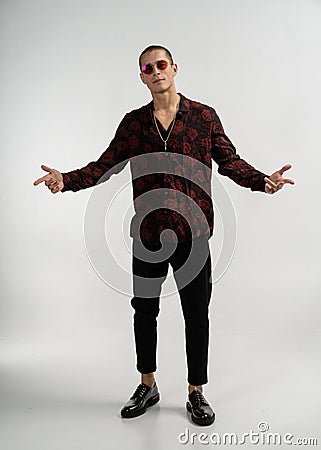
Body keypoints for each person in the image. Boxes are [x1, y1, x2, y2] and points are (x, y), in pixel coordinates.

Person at [34, 45, 295, 426]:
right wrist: (66, 180)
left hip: (194, 234)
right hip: (149, 235)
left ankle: (196, 392)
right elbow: (105, 166)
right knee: (144, 311)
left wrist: (262, 181)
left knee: (196, 315)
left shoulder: (204, 117)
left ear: (174, 69)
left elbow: (230, 162)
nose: (155, 71)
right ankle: (147, 384)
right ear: (141, 77)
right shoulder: (133, 124)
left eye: (161, 65)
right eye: (147, 67)